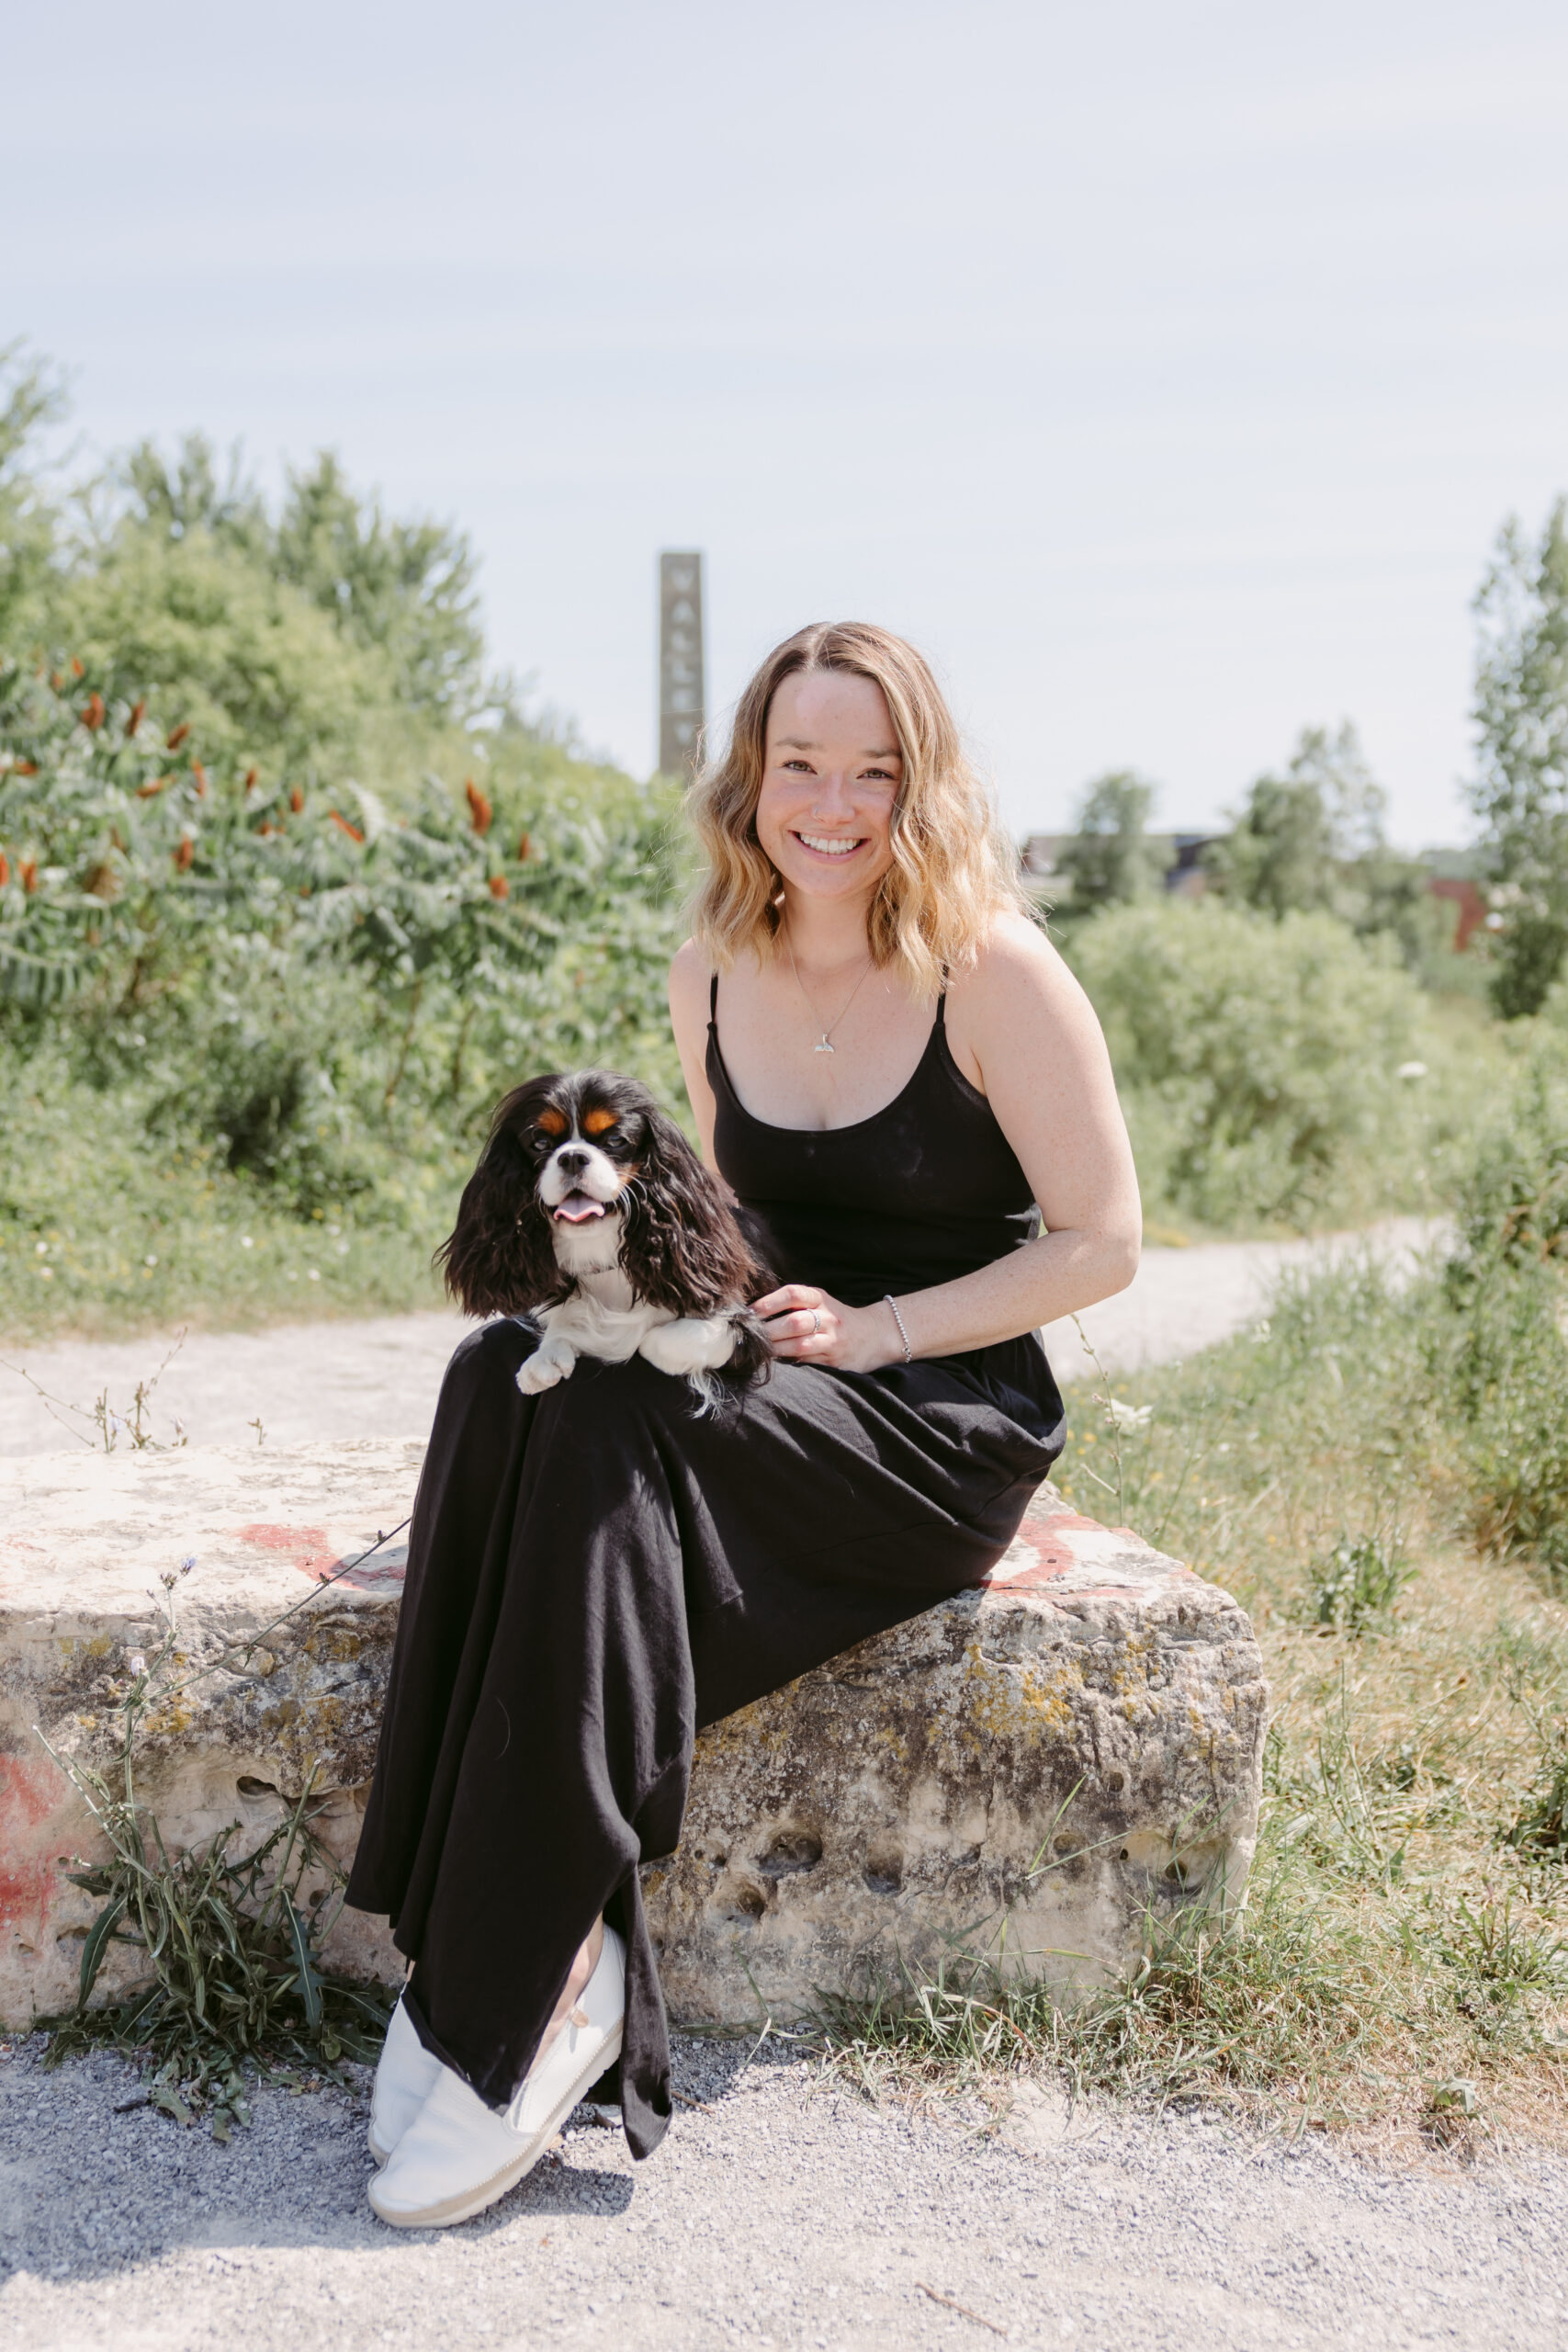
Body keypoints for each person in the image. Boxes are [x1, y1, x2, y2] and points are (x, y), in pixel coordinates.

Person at [345, 621, 1141, 2229]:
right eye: (802, 765)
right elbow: (725, 1230)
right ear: (753, 780)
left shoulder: (992, 966)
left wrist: (881, 1330)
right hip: (775, 1359)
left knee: (595, 1430)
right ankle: (488, 1943)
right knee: (499, 1375)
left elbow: (1104, 1244)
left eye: (875, 771)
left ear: (922, 785)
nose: (833, 805)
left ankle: (535, 1984)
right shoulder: (710, 967)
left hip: (939, 1412)